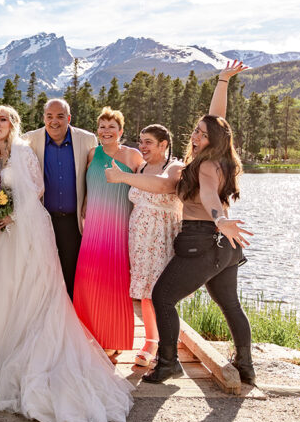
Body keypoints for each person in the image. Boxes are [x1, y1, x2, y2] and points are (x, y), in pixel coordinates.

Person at [0, 106, 134, 422]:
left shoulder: (23, 151)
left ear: (13, 124)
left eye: (2, 119)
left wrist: (12, 214)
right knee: (0, 288)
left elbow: (36, 190)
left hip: (28, 229)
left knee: (34, 291)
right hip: (2, 233)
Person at [107, 61, 256, 385]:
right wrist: (222, 81)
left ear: (211, 140)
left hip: (202, 242)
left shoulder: (203, 166)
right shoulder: (220, 157)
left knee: (162, 297)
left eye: (201, 135)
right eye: (195, 131)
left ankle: (169, 362)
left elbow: (208, 198)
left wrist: (219, 219)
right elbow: (217, 120)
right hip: (225, 247)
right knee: (230, 303)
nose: (195, 135)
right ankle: (245, 365)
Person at [71, 107, 143, 362]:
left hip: (118, 226)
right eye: (102, 127)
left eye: (111, 127)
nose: (106, 131)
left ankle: (114, 340)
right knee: (88, 281)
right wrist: (83, 209)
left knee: (114, 284)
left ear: (120, 131)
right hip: (93, 227)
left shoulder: (132, 156)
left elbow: (146, 186)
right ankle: (88, 338)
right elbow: (88, 187)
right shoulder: (93, 153)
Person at [22, 99, 98, 299]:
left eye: (60, 116)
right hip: (42, 220)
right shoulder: (29, 140)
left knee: (71, 272)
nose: (54, 121)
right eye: (49, 116)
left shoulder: (88, 139)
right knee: (42, 273)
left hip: (73, 221)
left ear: (69, 118)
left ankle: (71, 319)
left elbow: (95, 174)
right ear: (43, 118)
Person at [125, 125, 183, 366]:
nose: (143, 146)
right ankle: (150, 341)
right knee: (145, 293)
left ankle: (167, 344)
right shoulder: (141, 167)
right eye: (141, 141)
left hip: (162, 235)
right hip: (139, 237)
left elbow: (165, 186)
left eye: (148, 142)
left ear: (163, 144)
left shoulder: (176, 168)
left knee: (161, 292)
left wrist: (121, 176)